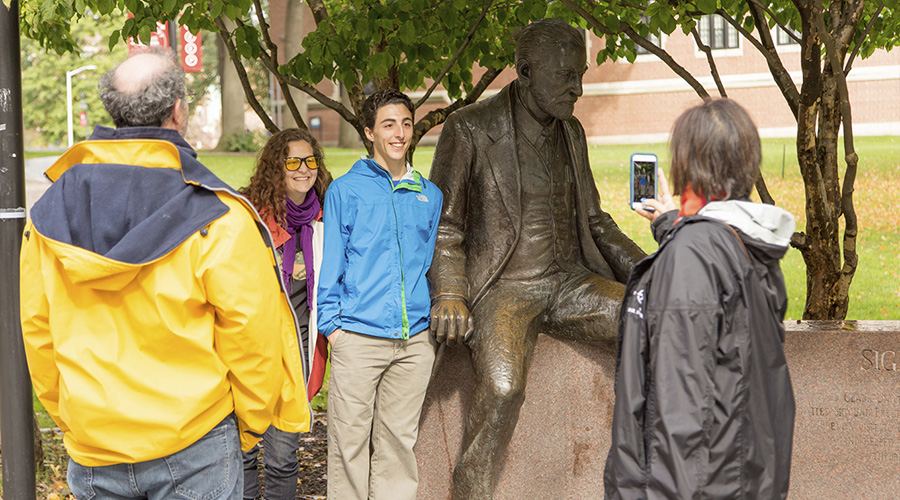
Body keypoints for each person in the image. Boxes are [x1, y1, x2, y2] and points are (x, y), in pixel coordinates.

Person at [20, 49, 310, 499]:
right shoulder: (220, 215)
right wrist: (246, 429)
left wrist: (77, 421)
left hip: (96, 443)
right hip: (196, 443)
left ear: (113, 112)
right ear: (179, 111)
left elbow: (39, 337)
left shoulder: (47, 215)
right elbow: (254, 342)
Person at [428, 18, 646, 499]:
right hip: (505, 290)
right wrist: (449, 292)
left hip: (570, 284)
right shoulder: (469, 129)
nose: (578, 88)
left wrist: (658, 275)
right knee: (503, 388)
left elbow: (597, 223)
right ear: (525, 72)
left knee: (654, 320)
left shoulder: (572, 131)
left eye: (581, 74)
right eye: (565, 76)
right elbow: (445, 226)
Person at [603, 98, 796, 499]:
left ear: (689, 165)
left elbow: (680, 411)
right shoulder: (750, 243)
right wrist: (673, 224)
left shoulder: (693, 253)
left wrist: (683, 237)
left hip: (696, 483)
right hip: (743, 474)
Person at [317, 88, 443, 500]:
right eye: (389, 124)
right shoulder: (345, 191)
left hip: (413, 344)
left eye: (406, 124)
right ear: (370, 132)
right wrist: (333, 328)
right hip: (358, 338)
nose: (399, 133)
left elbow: (427, 266)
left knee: (397, 445)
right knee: (349, 447)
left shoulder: (430, 195)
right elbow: (330, 264)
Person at [239, 128, 332, 500]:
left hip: (299, 354)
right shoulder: (249, 216)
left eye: (310, 161)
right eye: (292, 161)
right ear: (276, 167)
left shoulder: (324, 217)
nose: (303, 169)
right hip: (251, 351)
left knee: (282, 455)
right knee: (243, 450)